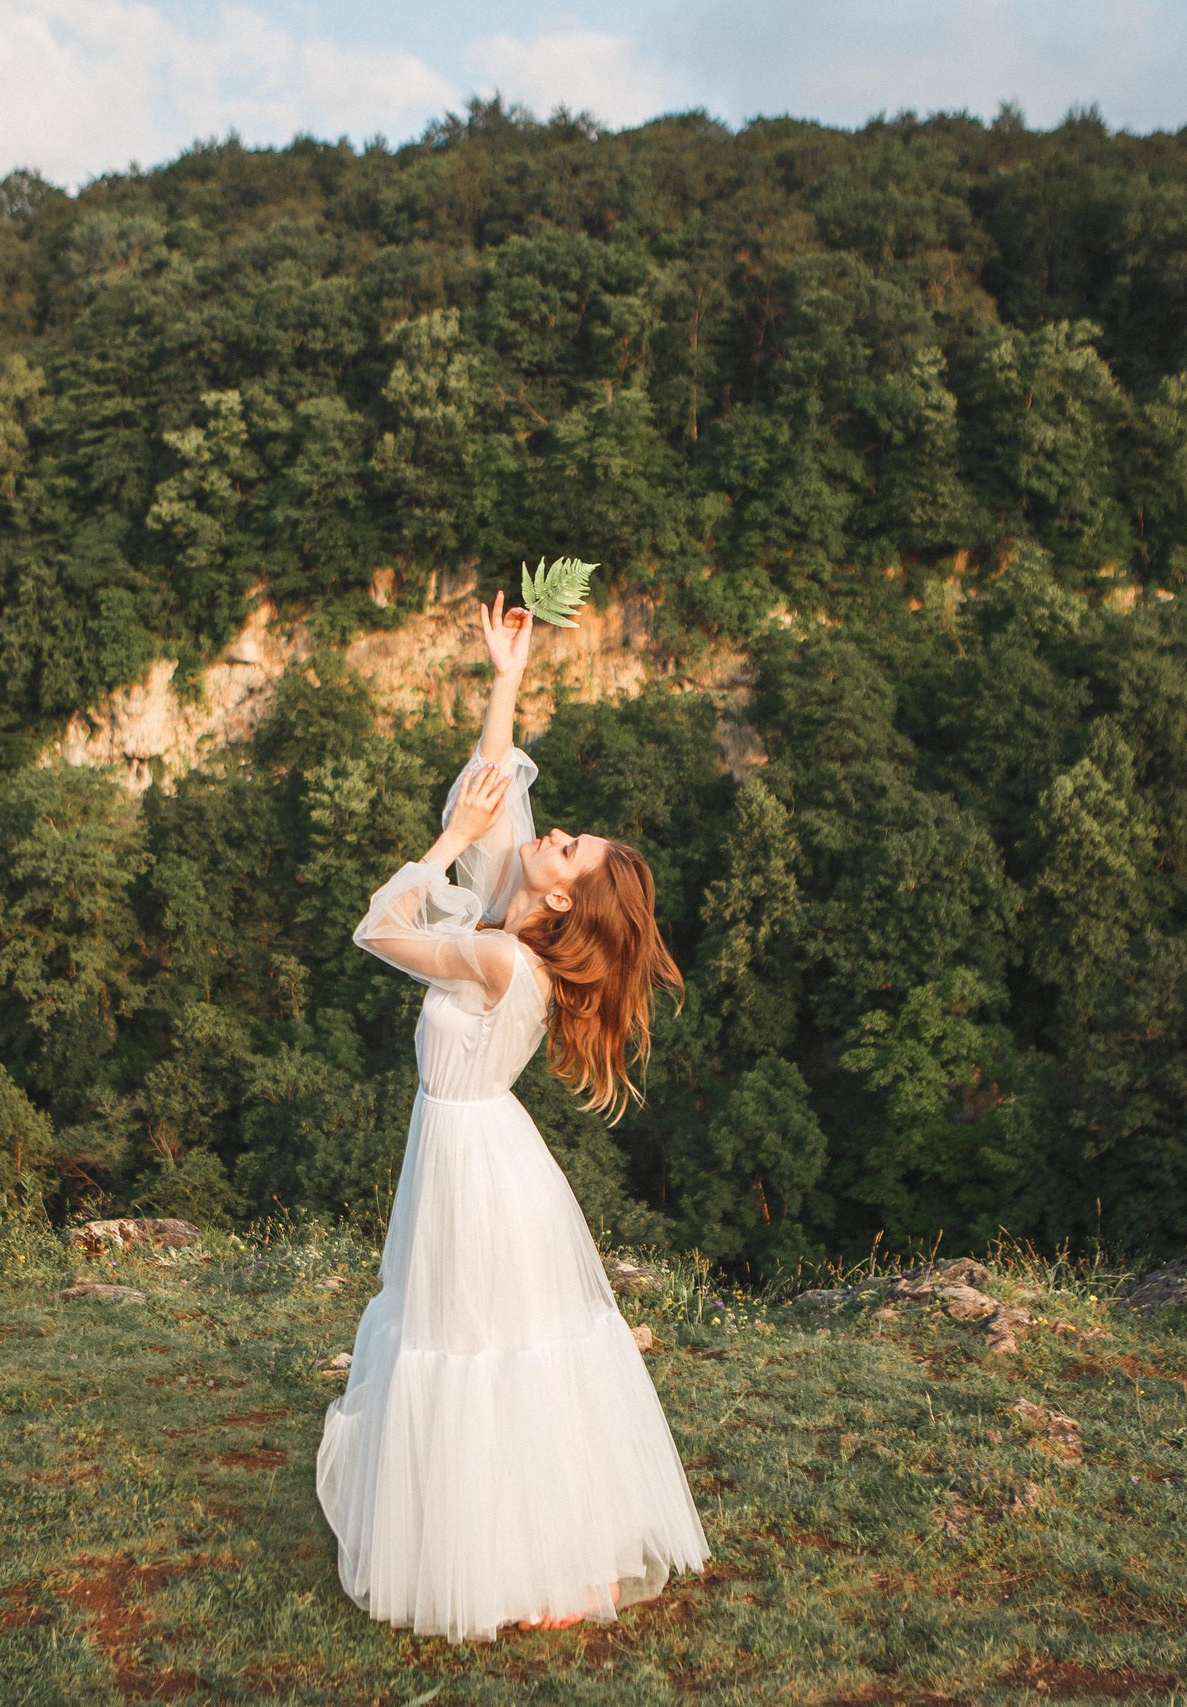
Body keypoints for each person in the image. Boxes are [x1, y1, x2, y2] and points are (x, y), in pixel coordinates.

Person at [314, 591, 710, 1643]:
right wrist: (505, 679)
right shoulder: (513, 923)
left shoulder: (498, 955)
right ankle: (543, 1549)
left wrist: (449, 837)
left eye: (570, 849)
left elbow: (376, 925)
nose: (558, 835)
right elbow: (502, 786)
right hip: (476, 1150)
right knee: (497, 1350)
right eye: (571, 837)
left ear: (564, 903)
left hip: (472, 1161)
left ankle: (513, 1562)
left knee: (472, 1349)